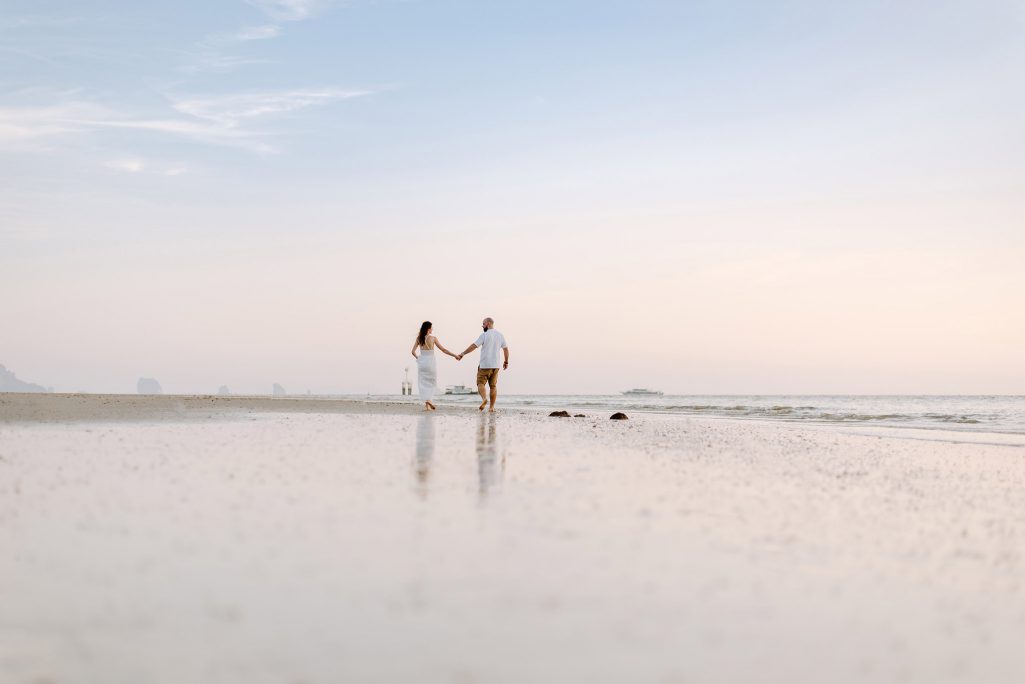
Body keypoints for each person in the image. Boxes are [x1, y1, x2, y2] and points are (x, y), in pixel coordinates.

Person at [457, 317, 509, 412]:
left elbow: (474, 346)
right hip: (496, 365)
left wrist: (463, 353)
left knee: (480, 383)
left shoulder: (484, 335)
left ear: (488, 323)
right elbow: (505, 349)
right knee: (493, 386)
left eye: (483, 324)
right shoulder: (500, 335)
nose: (482, 326)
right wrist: (506, 362)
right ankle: (491, 408)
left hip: (485, 365)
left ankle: (484, 399)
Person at [411, 321, 458, 411]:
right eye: (432, 327)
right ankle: (429, 401)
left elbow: (413, 352)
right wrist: (455, 355)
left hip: (422, 363)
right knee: (431, 382)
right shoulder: (433, 338)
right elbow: (443, 350)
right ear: (429, 329)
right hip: (430, 362)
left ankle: (427, 405)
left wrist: (418, 358)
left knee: (423, 383)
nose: (432, 329)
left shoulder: (419, 338)